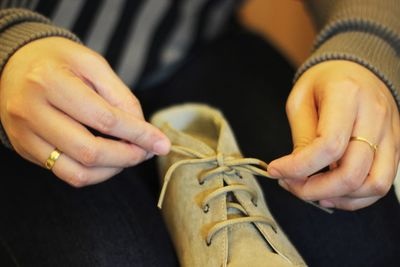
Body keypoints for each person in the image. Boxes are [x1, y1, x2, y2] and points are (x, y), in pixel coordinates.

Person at [0, 0, 399, 266]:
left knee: (365, 248)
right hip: (18, 79)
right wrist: (8, 45)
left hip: (194, 43)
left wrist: (367, 43)